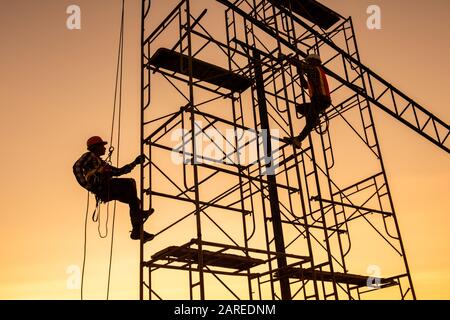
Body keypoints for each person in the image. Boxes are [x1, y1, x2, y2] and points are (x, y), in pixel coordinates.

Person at [73, 136, 155, 243]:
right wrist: (87, 186)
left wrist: (135, 163)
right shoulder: (90, 155)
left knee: (134, 200)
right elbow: (77, 167)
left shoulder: (102, 164)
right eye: (103, 146)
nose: (105, 148)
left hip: (107, 190)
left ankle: (137, 230)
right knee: (130, 183)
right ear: (96, 147)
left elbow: (118, 171)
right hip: (102, 187)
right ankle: (138, 217)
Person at [287, 53, 332, 148]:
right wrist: (300, 75)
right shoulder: (313, 73)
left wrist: (289, 59)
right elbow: (305, 85)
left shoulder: (316, 69)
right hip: (317, 101)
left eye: (310, 61)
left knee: (310, 120)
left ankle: (298, 140)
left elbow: (303, 66)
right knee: (300, 108)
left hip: (321, 100)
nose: (309, 63)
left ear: (316, 62)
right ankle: (314, 120)